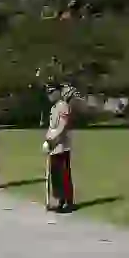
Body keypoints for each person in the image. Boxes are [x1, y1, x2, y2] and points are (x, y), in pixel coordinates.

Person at [43, 84, 74, 213]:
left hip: (61, 146)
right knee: (55, 176)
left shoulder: (63, 106)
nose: (49, 95)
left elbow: (62, 127)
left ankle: (68, 202)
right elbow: (52, 127)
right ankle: (60, 201)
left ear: (58, 92)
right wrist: (47, 139)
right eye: (48, 93)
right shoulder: (54, 108)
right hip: (53, 147)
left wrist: (51, 140)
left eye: (51, 92)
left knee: (63, 175)